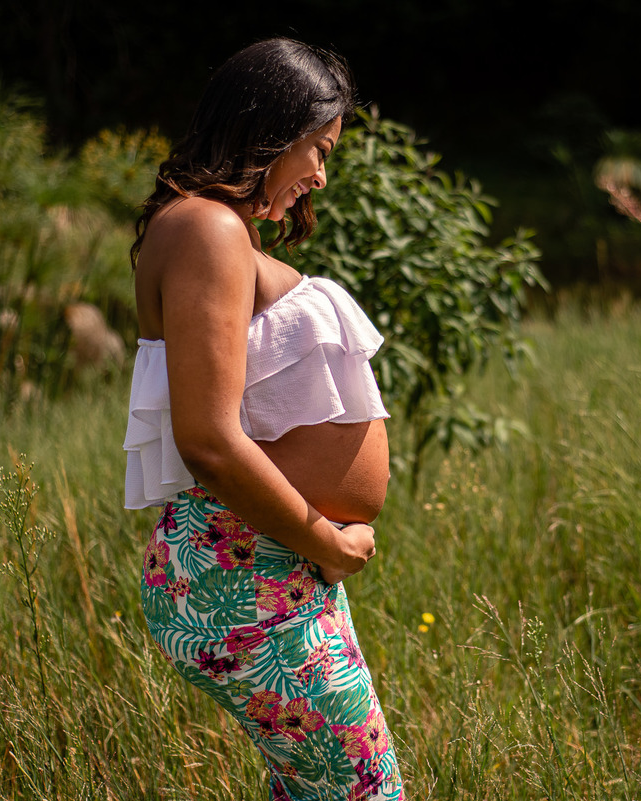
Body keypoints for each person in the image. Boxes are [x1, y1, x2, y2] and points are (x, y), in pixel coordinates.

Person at [122, 37, 403, 800]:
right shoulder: (208, 229)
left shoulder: (207, 230)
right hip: (248, 571)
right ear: (268, 129)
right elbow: (208, 438)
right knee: (365, 791)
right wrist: (326, 542)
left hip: (266, 565)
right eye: (316, 147)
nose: (319, 173)